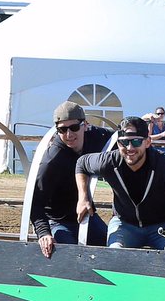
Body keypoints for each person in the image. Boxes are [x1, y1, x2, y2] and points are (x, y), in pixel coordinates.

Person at [75, 116, 165, 250]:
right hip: (124, 224)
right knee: (115, 253)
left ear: (147, 142)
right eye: (124, 142)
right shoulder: (109, 161)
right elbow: (81, 163)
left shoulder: (164, 162)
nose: (129, 148)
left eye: (136, 142)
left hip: (162, 225)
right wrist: (83, 198)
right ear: (118, 144)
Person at [28, 101, 111, 258]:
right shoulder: (51, 160)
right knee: (69, 255)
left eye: (74, 128)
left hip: (87, 216)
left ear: (85, 125)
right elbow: (35, 202)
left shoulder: (98, 137)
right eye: (62, 129)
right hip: (57, 221)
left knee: (112, 250)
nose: (69, 135)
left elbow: (123, 141)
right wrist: (43, 232)